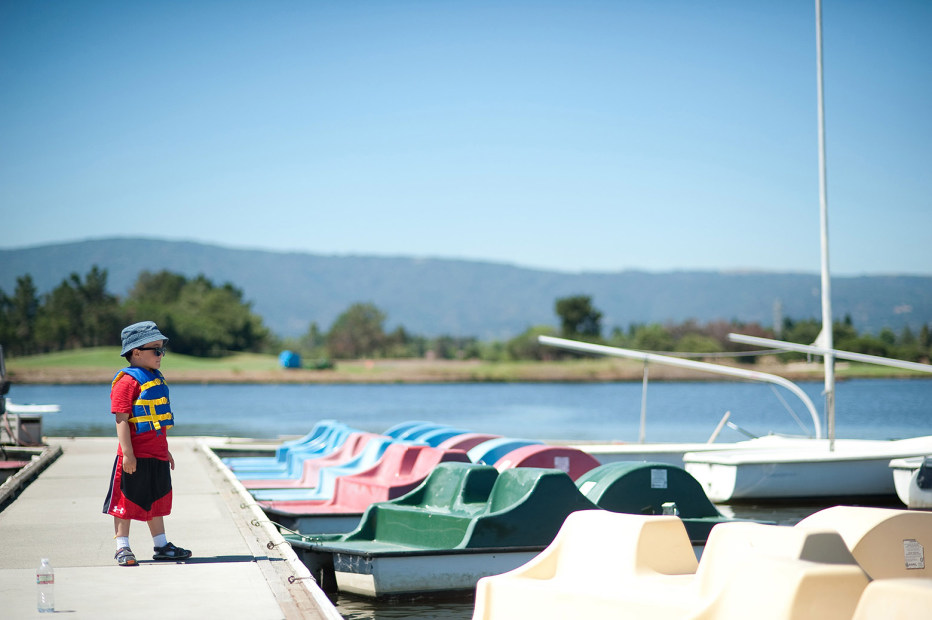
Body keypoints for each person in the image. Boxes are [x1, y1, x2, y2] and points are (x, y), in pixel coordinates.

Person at [102, 321, 192, 566]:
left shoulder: (155, 378)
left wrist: (167, 450)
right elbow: (122, 420)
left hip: (157, 453)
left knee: (157, 498)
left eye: (162, 349)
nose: (161, 355)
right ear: (136, 352)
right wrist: (128, 454)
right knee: (126, 500)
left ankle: (161, 545)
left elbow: (156, 423)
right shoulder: (127, 382)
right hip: (135, 455)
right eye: (156, 350)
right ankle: (122, 546)